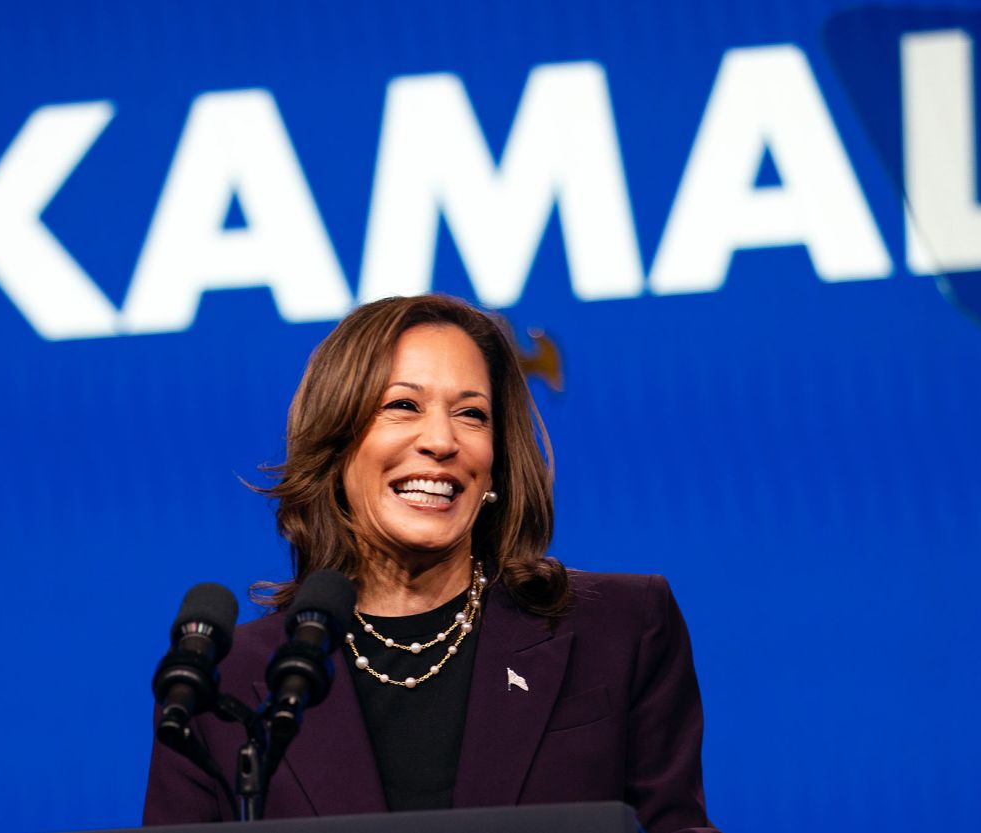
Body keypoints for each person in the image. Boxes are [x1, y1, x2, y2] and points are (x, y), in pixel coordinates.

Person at [143, 295, 717, 833]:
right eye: (403, 405)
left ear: (496, 462)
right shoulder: (228, 685)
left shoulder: (618, 626)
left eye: (472, 414)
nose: (441, 441)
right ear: (337, 444)